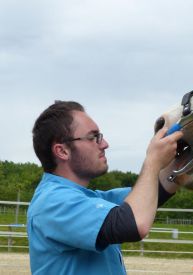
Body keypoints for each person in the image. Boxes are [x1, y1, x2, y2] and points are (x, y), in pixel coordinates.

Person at [27, 100, 183, 275]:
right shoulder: (52, 202)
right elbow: (133, 223)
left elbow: (154, 192)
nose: (104, 144)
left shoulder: (91, 200)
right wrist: (153, 161)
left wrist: (187, 158)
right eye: (93, 137)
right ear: (62, 151)